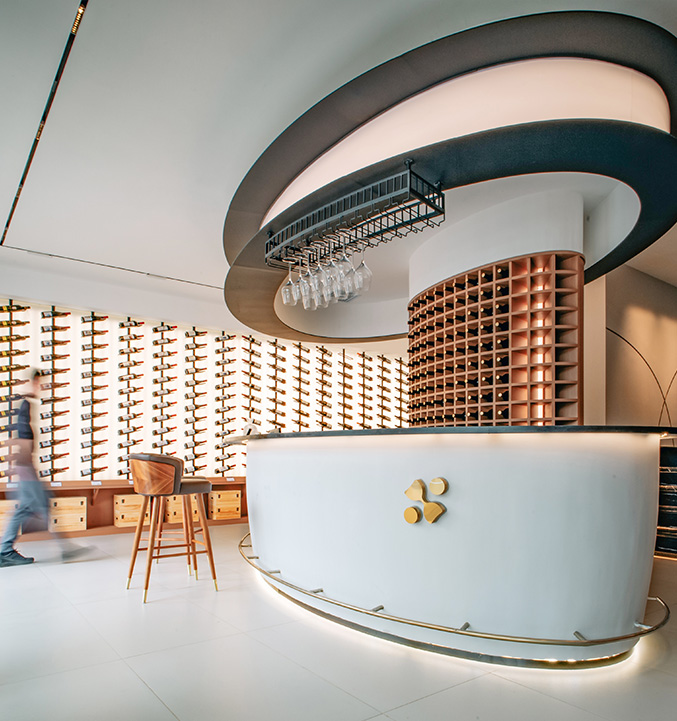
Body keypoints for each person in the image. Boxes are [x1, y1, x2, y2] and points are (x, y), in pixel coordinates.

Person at [1, 369, 88, 566]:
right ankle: (6, 550)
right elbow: (23, 439)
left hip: (25, 467)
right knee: (33, 507)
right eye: (39, 383)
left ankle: (64, 548)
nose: (42, 387)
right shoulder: (25, 405)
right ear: (33, 383)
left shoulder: (26, 405)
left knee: (36, 506)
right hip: (26, 468)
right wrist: (26, 467)